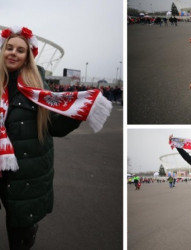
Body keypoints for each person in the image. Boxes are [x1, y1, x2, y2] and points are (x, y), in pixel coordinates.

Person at [0, 26, 111, 250]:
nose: (13, 53)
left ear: (28, 56)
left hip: (27, 174)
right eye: (9, 47)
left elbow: (55, 126)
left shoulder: (37, 85)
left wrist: (78, 109)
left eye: (20, 50)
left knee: (20, 234)